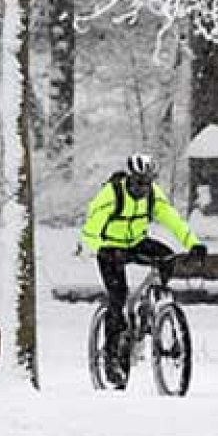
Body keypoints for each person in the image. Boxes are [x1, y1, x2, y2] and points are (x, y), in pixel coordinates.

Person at [80, 153, 206, 377]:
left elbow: (172, 219)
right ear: (129, 179)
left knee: (167, 257)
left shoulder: (152, 196)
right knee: (117, 299)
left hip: (136, 242)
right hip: (110, 247)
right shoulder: (112, 194)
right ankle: (110, 359)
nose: (143, 188)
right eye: (139, 183)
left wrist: (193, 243)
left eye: (148, 183)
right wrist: (96, 248)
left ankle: (153, 307)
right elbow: (91, 227)